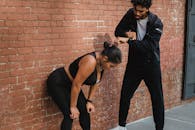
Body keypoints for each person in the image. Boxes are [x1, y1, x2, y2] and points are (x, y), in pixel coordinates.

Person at [113, 0, 164, 130]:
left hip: (151, 64)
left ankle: (159, 128)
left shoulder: (156, 23)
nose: (137, 13)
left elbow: (149, 46)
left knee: (157, 98)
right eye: (135, 9)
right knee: (125, 95)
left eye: (140, 11)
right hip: (134, 64)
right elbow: (118, 31)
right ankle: (121, 126)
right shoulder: (130, 14)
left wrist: (129, 41)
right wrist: (128, 34)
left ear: (147, 9)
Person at [47, 42, 122, 130]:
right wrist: (73, 106)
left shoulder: (101, 63)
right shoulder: (90, 61)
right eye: (111, 66)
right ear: (105, 58)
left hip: (72, 84)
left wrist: (89, 101)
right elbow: (76, 84)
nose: (110, 69)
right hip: (59, 82)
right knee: (70, 114)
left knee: (84, 111)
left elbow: (96, 81)